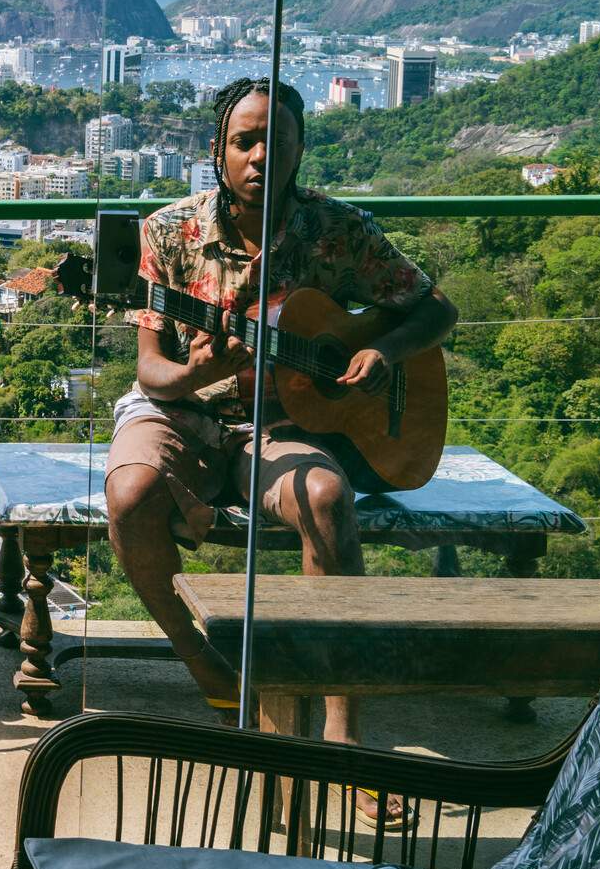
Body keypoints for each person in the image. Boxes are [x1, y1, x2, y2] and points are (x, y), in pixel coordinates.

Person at [103, 78, 457, 823]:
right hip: (186, 411)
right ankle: (212, 671)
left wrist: (384, 353)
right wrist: (197, 370)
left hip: (286, 429)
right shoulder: (168, 231)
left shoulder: (340, 230)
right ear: (217, 150)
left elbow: (435, 309)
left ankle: (343, 733)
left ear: (301, 149)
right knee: (130, 495)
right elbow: (151, 369)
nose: (263, 154)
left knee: (327, 499)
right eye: (246, 141)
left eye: (279, 141)